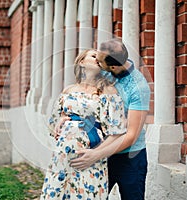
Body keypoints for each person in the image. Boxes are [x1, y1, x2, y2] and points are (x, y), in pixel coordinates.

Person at [40, 49, 127, 199]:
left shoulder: (109, 91)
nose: (97, 58)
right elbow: (52, 125)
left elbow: (118, 133)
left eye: (99, 57)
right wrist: (61, 120)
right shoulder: (68, 90)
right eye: (93, 56)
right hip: (63, 157)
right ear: (81, 62)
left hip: (90, 157)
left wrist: (95, 154)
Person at [70, 38, 151, 200]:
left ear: (113, 67)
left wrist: (96, 154)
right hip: (99, 152)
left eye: (101, 63)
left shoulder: (138, 88)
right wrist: (66, 117)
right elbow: (82, 99)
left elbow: (131, 135)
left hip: (130, 158)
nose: (98, 64)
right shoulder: (104, 70)